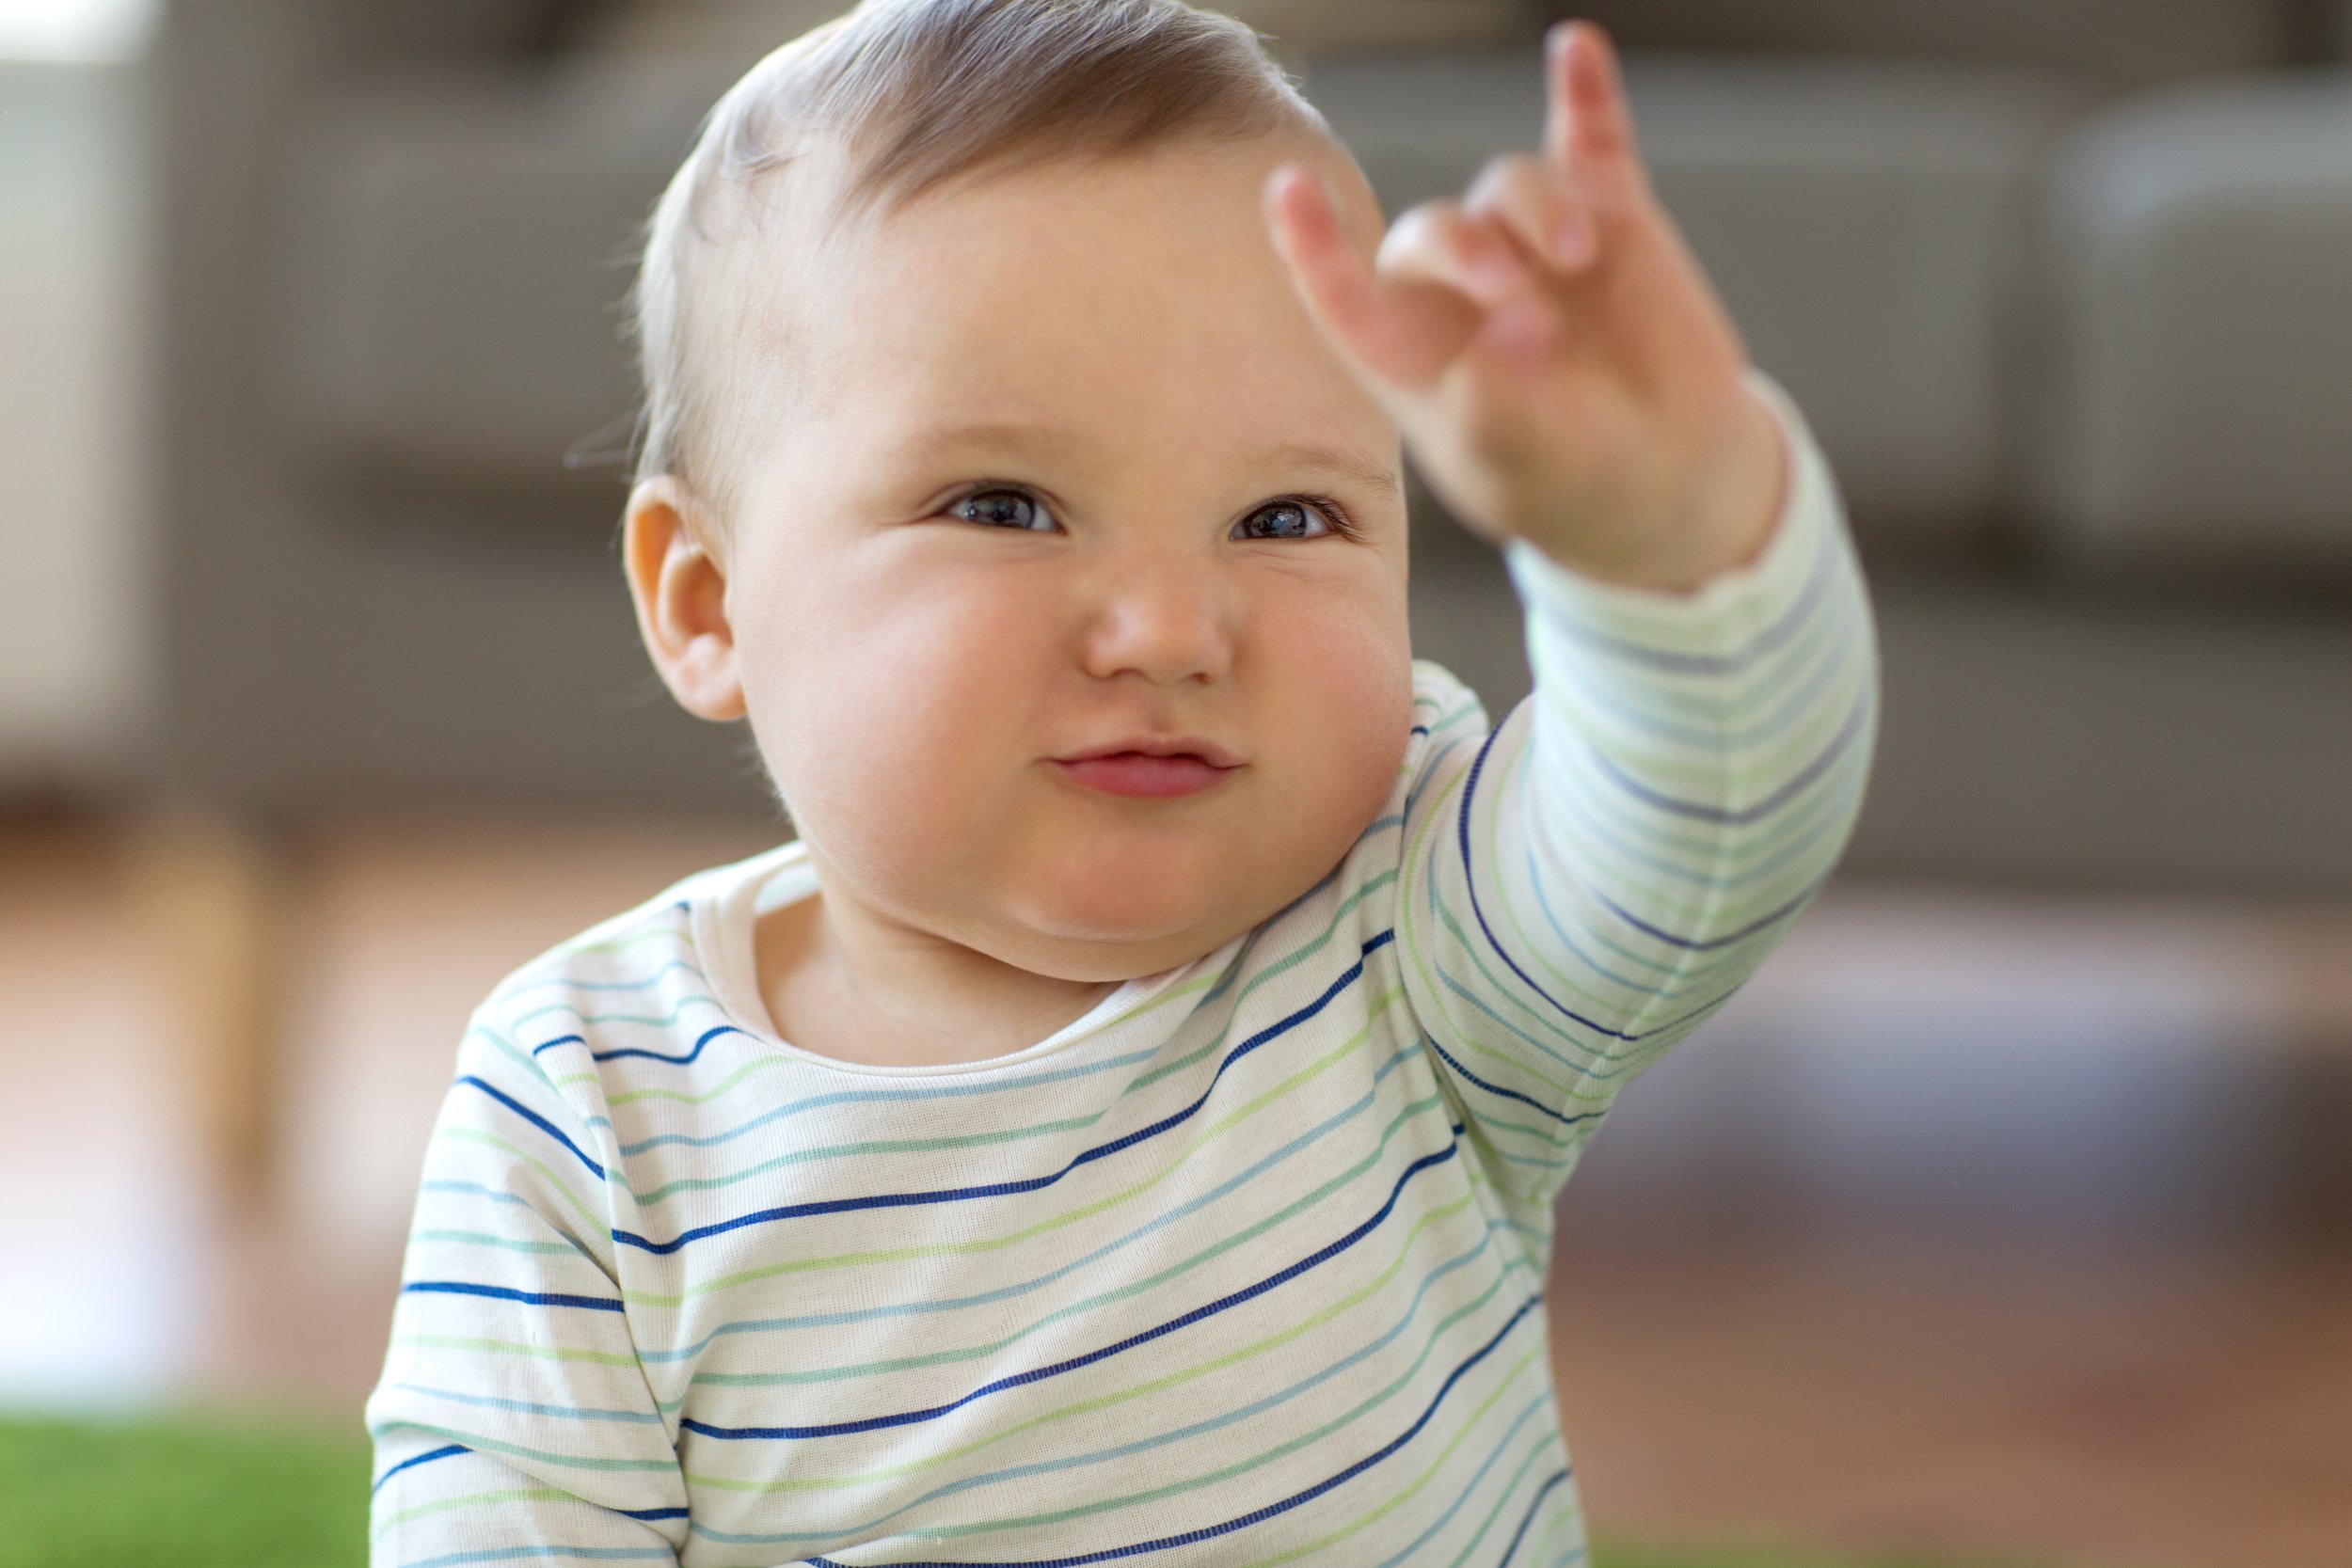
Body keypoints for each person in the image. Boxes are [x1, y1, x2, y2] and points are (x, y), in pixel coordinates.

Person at [364, 0, 1878, 1561]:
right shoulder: (586, 1106)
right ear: (707, 599)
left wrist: (1675, 528)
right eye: (1005, 505)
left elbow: (1710, 822)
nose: (1170, 628)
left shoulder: (1404, 935)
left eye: (1285, 520)